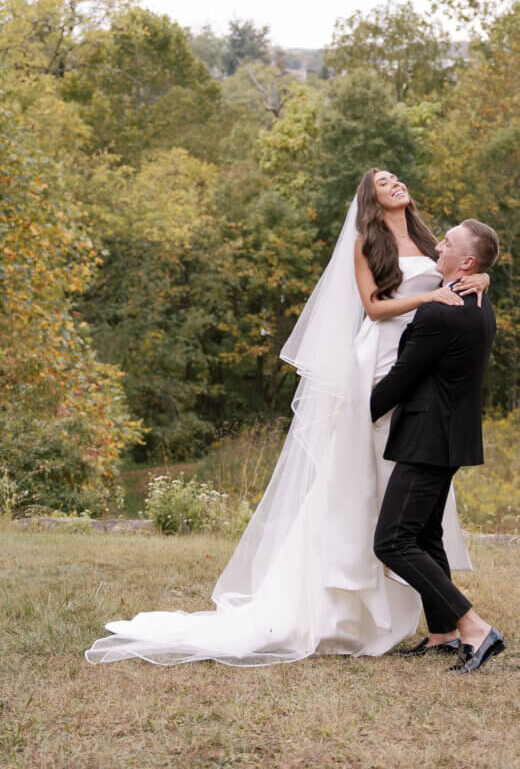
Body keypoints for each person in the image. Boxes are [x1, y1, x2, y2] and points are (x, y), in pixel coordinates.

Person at [84, 171, 488, 667]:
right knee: (366, 479)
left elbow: (462, 270)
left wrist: (482, 277)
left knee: (414, 501)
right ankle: (356, 603)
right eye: (383, 182)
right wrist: (428, 297)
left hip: (421, 358)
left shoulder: (430, 240)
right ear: (370, 196)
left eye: (396, 177)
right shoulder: (368, 243)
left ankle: (444, 627)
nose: (395, 183)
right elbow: (373, 307)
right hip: (384, 359)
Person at [371, 219, 505, 673]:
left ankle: (473, 625)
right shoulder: (481, 303)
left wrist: (353, 416)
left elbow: (400, 380)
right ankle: (444, 631)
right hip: (450, 436)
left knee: (392, 541)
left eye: (447, 242)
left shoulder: (439, 310)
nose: (439, 245)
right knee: (426, 536)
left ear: (466, 262)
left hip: (427, 437)